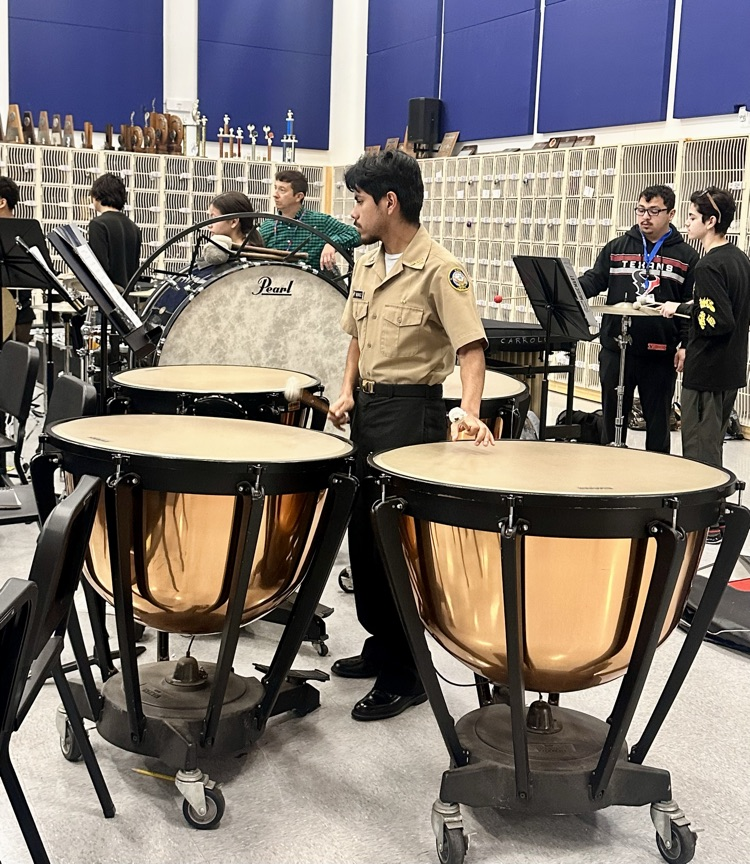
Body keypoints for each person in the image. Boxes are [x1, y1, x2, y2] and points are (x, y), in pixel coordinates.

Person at [327, 150, 493, 722]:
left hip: (411, 416)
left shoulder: (440, 269)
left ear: (389, 203)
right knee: (364, 536)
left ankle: (408, 673)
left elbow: (471, 350)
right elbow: (355, 335)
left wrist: (469, 413)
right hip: (370, 410)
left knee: (395, 539)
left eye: (359, 200)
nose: (353, 212)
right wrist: (346, 390)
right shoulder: (366, 264)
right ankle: (381, 644)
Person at [579, 184, 699, 452]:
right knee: (611, 418)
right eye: (641, 210)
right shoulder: (618, 246)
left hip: (659, 353)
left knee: (657, 423)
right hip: (615, 349)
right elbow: (595, 280)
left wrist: (685, 345)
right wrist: (568, 287)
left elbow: (690, 306)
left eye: (654, 211)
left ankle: (655, 481)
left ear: (671, 213)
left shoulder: (686, 256)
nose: (645, 217)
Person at [659, 187, 750, 486]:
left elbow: (716, 321)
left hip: (707, 372)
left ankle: (705, 525)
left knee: (700, 457)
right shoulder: (739, 258)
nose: (686, 223)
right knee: (713, 447)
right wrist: (684, 306)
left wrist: (683, 311)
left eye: (691, 217)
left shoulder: (709, 264)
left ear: (710, 221)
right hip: (730, 369)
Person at [259, 169, 361, 272]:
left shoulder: (320, 222)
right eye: (275, 188)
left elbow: (355, 234)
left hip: (311, 285)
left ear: (299, 196)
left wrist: (332, 244)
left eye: (282, 190)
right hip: (273, 284)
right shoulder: (267, 226)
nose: (275, 194)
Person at [88, 173, 142, 292]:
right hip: (128, 298)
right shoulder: (134, 227)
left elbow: (100, 267)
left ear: (96, 196)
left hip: (109, 296)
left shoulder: (98, 225)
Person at [0, 176, 34, 343]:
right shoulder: (26, 233)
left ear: (2, 202)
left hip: (19, 314)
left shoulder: (25, 234)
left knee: (17, 365)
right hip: (17, 312)